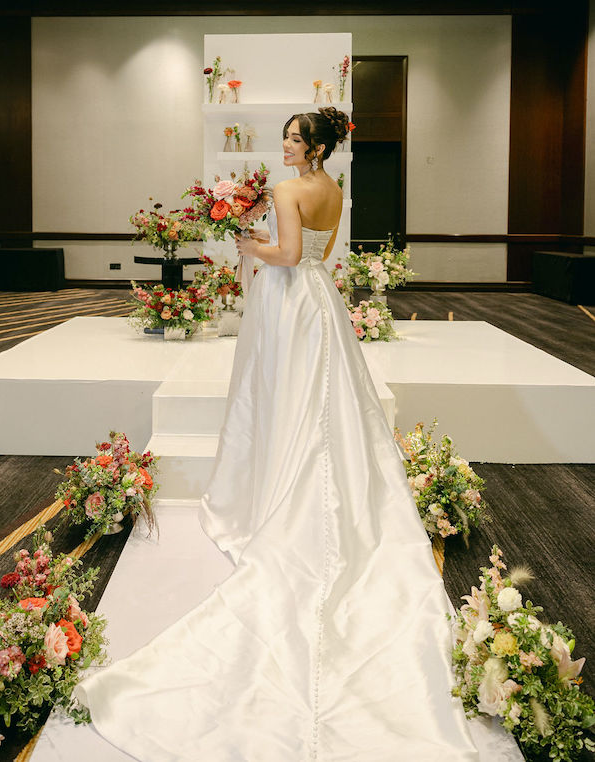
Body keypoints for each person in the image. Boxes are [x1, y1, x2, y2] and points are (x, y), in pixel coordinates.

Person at [74, 107, 523, 761]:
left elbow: (284, 254)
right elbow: (317, 254)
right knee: (326, 405)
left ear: (313, 147)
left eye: (291, 139)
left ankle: (283, 498)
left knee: (288, 401)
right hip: (322, 301)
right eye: (282, 138)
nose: (282, 148)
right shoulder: (333, 191)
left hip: (288, 301)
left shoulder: (287, 192)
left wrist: (244, 241)